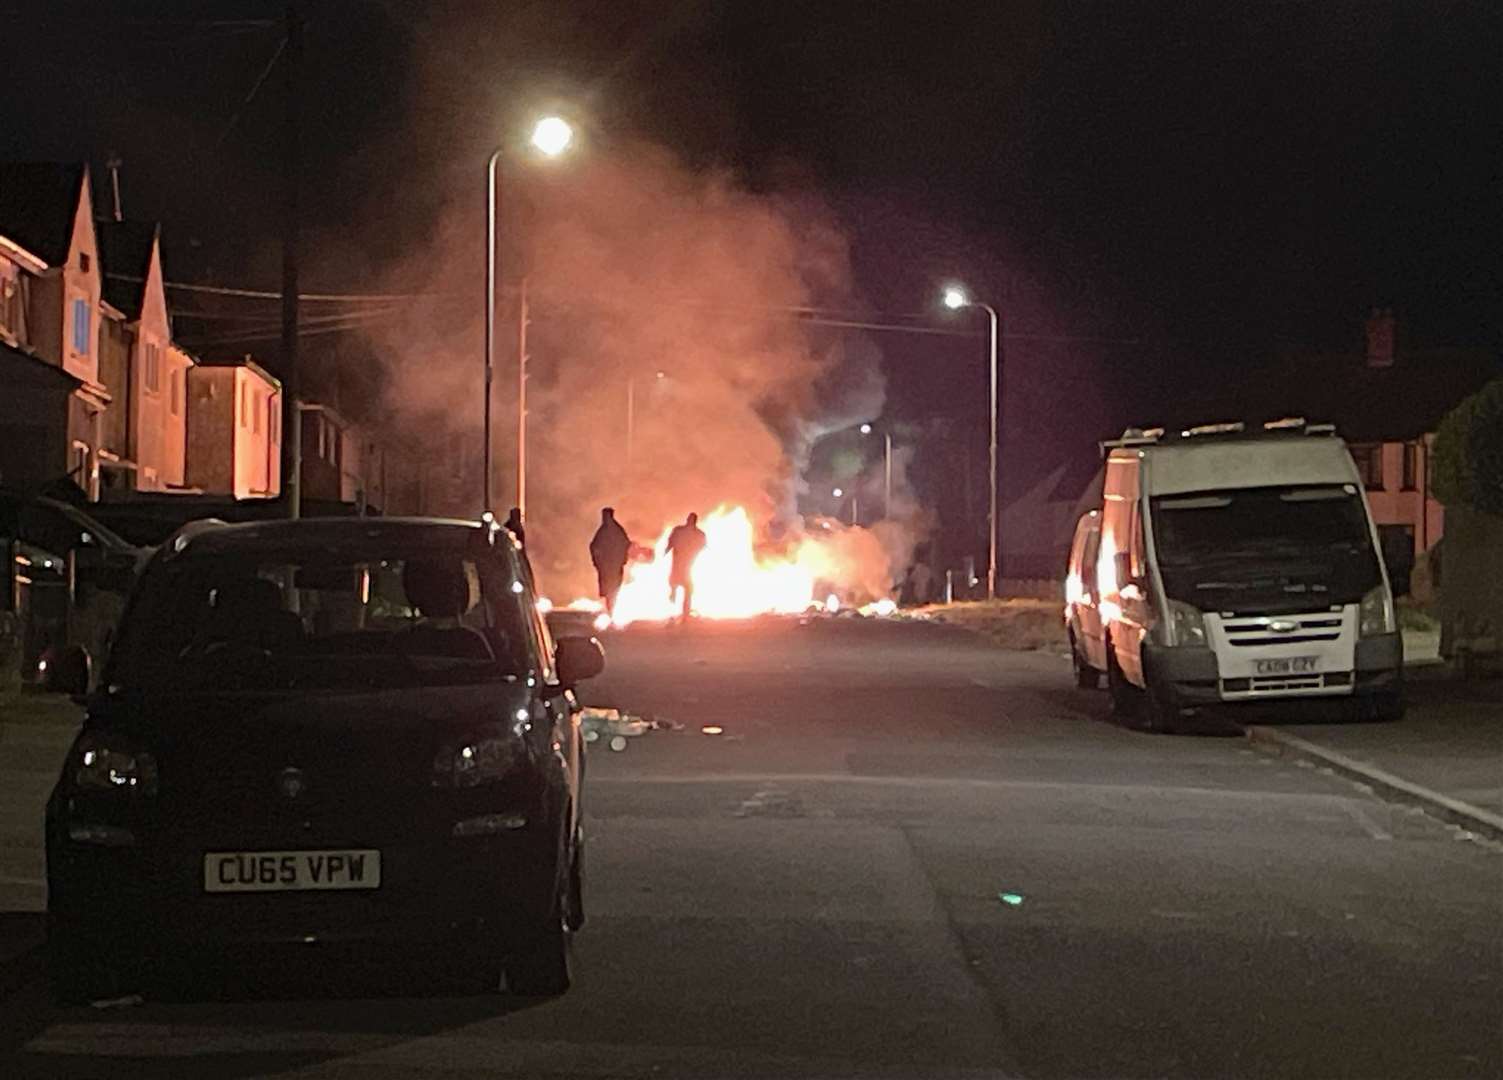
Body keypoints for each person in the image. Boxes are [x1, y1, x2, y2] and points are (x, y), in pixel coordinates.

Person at [588, 507, 632, 617]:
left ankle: (611, 610)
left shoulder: (613, 530)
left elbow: (625, 544)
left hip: (613, 565)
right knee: (609, 588)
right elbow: (594, 546)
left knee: (612, 588)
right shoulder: (607, 530)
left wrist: (622, 557)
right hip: (608, 565)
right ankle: (610, 610)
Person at [666, 512, 708, 619]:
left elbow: (703, 545)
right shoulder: (681, 531)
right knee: (680, 586)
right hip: (681, 563)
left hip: (687, 563)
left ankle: (684, 612)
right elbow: (670, 543)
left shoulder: (683, 532)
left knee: (686, 587)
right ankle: (677, 609)